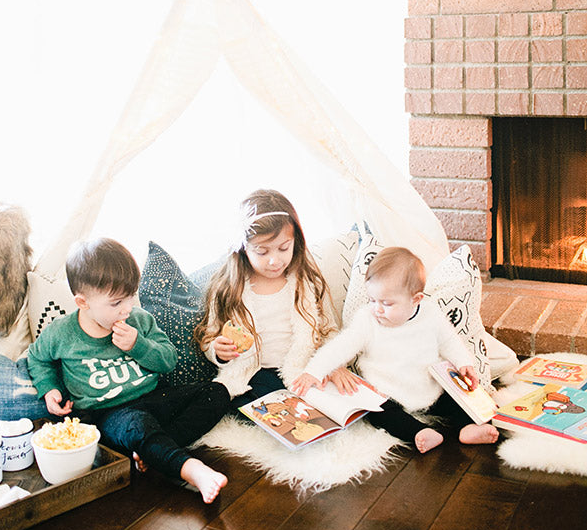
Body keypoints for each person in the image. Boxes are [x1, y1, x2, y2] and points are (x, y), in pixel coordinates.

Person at [27, 237, 229, 503]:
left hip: (155, 398)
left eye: (130, 297)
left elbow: (168, 360)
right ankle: (191, 469)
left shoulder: (139, 320)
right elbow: (37, 358)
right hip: (109, 413)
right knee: (138, 425)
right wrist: (49, 389)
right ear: (83, 302)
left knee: (217, 393)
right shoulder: (63, 333)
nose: (127, 309)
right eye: (115, 303)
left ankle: (154, 450)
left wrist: (138, 345)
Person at [292, 246, 499, 453]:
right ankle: (417, 432)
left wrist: (465, 363)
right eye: (373, 300)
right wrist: (314, 371)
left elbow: (449, 341)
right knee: (375, 411)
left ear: (415, 299)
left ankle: (469, 427)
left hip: (430, 388)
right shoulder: (368, 320)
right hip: (386, 391)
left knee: (458, 398)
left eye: (387, 303)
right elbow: (340, 347)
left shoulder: (431, 313)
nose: (377, 309)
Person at [194, 189, 356, 405]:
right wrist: (217, 350)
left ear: (295, 242)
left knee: (336, 403)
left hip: (303, 370)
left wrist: (333, 364)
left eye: (283, 248)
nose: (274, 260)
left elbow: (328, 330)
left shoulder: (308, 282)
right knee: (234, 403)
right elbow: (209, 335)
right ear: (243, 249)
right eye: (262, 252)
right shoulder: (227, 288)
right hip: (252, 375)